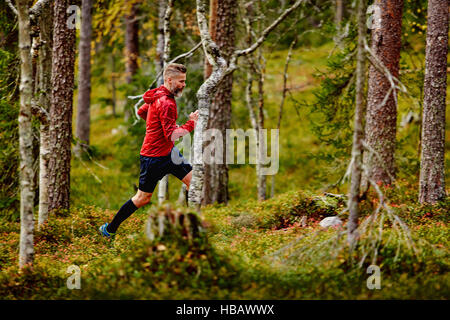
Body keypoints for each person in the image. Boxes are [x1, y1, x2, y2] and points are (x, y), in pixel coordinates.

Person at [99, 63, 199, 240]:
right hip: (153, 158)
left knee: (195, 182)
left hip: (169, 154)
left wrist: (158, 126)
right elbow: (172, 135)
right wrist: (192, 123)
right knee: (142, 198)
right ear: (169, 80)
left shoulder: (158, 93)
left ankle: (190, 230)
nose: (184, 85)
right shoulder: (167, 102)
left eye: (185, 81)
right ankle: (110, 230)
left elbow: (141, 111)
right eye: (181, 81)